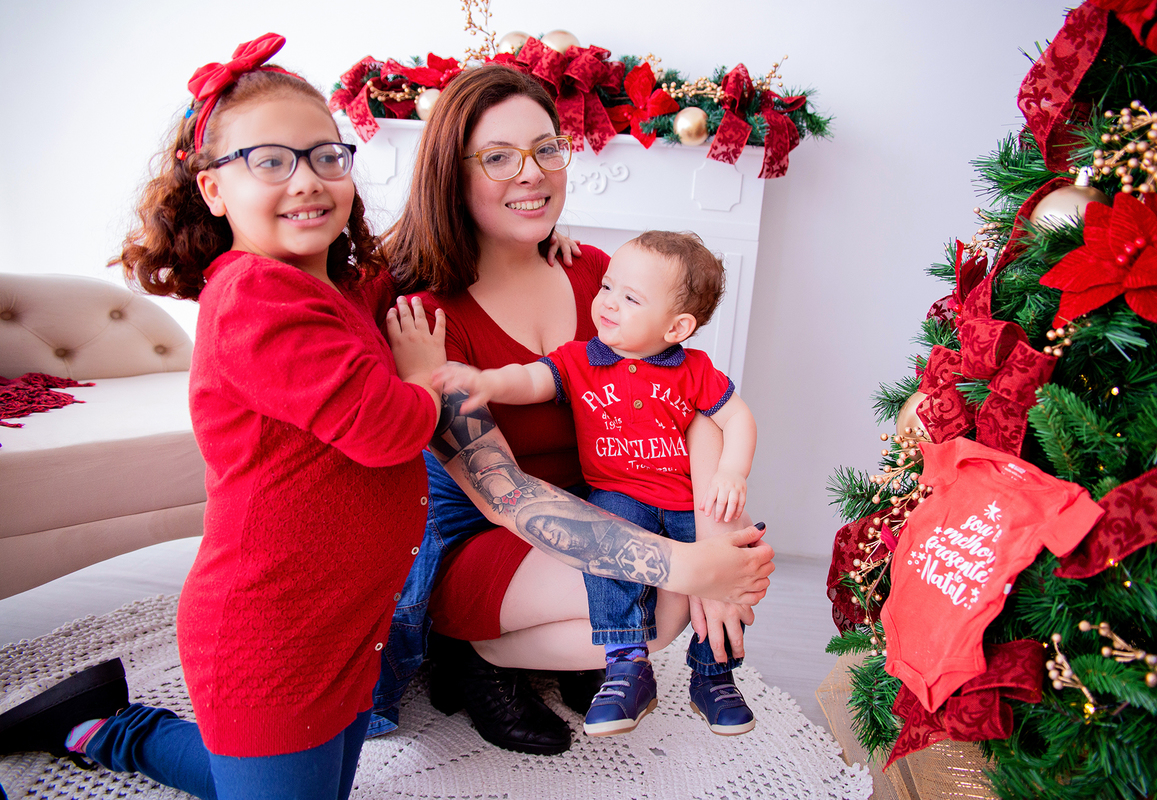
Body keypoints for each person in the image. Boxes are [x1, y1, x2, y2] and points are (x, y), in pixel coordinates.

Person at [0, 34, 446, 800]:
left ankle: (108, 724)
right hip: (272, 636)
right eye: (270, 161)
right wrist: (425, 376)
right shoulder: (256, 298)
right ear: (213, 189)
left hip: (345, 623)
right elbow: (390, 430)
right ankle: (106, 729)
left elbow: (407, 270)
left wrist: (539, 245)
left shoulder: (331, 284)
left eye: (326, 156)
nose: (306, 180)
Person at [370, 63, 773, 754]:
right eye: (498, 157)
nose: (531, 173)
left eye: (546, 149)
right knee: (664, 597)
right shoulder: (427, 316)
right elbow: (505, 495)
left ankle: (586, 647)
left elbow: (692, 406)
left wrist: (711, 541)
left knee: (682, 583)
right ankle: (476, 655)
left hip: (604, 506)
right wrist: (685, 564)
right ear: (450, 174)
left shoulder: (597, 275)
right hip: (485, 536)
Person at [435, 230, 759, 738]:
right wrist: (491, 381)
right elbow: (533, 380)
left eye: (629, 298)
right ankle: (621, 663)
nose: (607, 302)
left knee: (736, 551)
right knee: (624, 566)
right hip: (601, 501)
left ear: (677, 326)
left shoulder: (690, 366)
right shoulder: (581, 357)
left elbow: (730, 417)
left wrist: (729, 481)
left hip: (667, 497)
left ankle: (714, 675)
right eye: (607, 288)